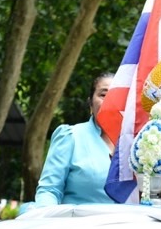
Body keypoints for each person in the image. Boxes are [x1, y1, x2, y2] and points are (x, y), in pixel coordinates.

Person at [35, 73, 116, 206]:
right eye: (103, 95)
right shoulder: (71, 136)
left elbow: (148, 192)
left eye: (116, 95)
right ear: (90, 103)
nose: (110, 101)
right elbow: (49, 191)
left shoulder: (138, 143)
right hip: (78, 219)